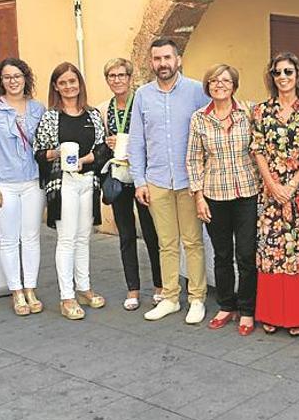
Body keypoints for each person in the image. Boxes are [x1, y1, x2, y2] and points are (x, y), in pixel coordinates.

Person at [130, 38, 211, 324]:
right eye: (157, 59)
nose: (162, 64)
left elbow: (209, 132)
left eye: (167, 58)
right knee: (166, 243)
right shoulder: (142, 95)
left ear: (178, 59)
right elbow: (136, 142)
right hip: (157, 181)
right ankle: (170, 298)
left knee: (193, 242)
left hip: (190, 182)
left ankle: (197, 298)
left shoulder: (196, 92)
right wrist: (139, 181)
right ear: (151, 63)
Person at [251, 51, 299, 336]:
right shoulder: (261, 111)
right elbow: (257, 149)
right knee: (272, 251)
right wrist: (273, 185)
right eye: (277, 72)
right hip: (270, 193)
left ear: (298, 75)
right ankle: (273, 313)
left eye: (288, 72)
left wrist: (292, 185)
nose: (282, 77)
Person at [186, 64, 259, 336]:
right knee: (222, 254)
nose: (219, 84)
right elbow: (193, 159)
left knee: (247, 254)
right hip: (214, 194)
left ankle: (248, 309)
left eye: (225, 80)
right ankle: (227, 305)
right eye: (214, 80)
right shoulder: (199, 119)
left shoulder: (249, 112)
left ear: (234, 85)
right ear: (208, 86)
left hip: (247, 194)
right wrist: (198, 197)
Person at [34, 62, 110, 320]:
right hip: (63, 182)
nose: (69, 86)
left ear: (80, 83)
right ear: (56, 86)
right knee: (66, 239)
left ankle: (84, 288)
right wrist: (58, 153)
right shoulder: (50, 117)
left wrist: (84, 160)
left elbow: (101, 149)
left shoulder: (92, 115)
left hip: (88, 181)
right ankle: (67, 297)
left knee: (83, 237)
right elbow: (40, 153)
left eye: (72, 81)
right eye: (63, 82)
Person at [0, 58, 46, 317]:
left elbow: (45, 144)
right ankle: (16, 291)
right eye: (7, 77)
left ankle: (31, 289)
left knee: (30, 238)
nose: (13, 81)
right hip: (3, 184)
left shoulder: (38, 109)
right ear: (1, 81)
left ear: (26, 78)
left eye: (17, 76)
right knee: (9, 241)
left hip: (33, 183)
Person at [97, 58, 163, 311]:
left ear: (130, 77)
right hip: (118, 177)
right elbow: (99, 142)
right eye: (111, 76)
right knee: (125, 234)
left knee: (151, 232)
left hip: (143, 177)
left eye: (121, 75)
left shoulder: (143, 101)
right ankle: (133, 288)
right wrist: (108, 144)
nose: (117, 80)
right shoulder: (104, 109)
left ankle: (159, 285)